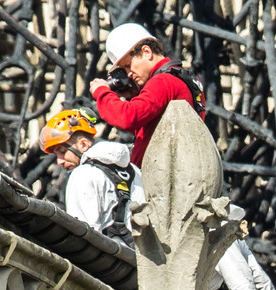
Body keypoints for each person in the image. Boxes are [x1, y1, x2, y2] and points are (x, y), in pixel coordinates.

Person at [89, 23, 205, 166]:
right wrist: (132, 97)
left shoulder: (162, 81)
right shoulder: (181, 78)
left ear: (146, 52)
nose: (129, 74)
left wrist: (102, 92)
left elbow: (128, 117)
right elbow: (153, 127)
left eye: (128, 65)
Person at [39, 108, 143, 247]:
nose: (59, 161)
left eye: (62, 152)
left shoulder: (82, 174)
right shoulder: (133, 169)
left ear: (83, 144)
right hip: (143, 259)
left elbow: (82, 237)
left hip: (112, 263)